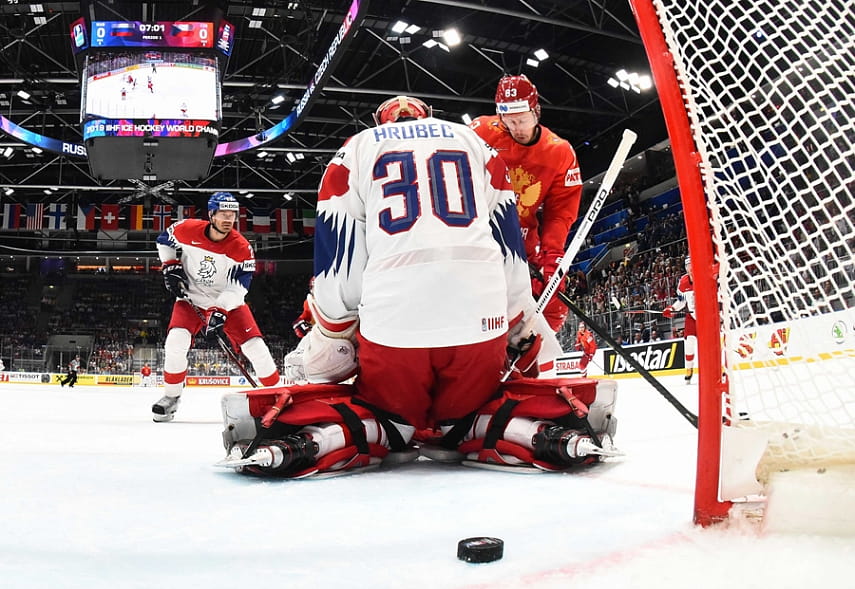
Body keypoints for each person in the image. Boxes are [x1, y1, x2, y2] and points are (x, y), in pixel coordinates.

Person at [217, 96, 618, 478]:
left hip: (396, 328)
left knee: (391, 420)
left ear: (382, 123)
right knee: (465, 416)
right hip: (480, 323)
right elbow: (508, 248)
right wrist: (518, 324)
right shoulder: (477, 144)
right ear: (428, 116)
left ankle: (312, 440)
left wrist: (335, 331)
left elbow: (339, 261)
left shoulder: (354, 150)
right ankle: (544, 433)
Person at [151, 191, 281, 422]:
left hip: (229, 304)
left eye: (233, 214)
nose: (229, 219)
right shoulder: (186, 229)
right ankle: (171, 398)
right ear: (211, 214)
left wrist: (220, 311)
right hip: (191, 300)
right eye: (223, 213)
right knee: (175, 343)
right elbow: (164, 240)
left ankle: (280, 396)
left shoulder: (242, 248)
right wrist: (170, 265)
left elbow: (239, 288)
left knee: (256, 349)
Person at [469, 74, 583, 333]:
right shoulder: (480, 132)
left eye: (522, 119)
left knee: (552, 303)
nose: (516, 127)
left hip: (522, 243)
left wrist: (552, 253)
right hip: (480, 236)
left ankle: (537, 362)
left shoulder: (559, 152)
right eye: (509, 121)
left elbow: (560, 210)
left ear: (536, 111)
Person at [663, 256, 696, 383]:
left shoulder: (703, 277)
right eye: (688, 266)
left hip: (706, 316)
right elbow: (681, 302)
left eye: (692, 265)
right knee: (689, 344)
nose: (690, 269)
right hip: (692, 316)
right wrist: (672, 309)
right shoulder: (683, 282)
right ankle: (689, 369)